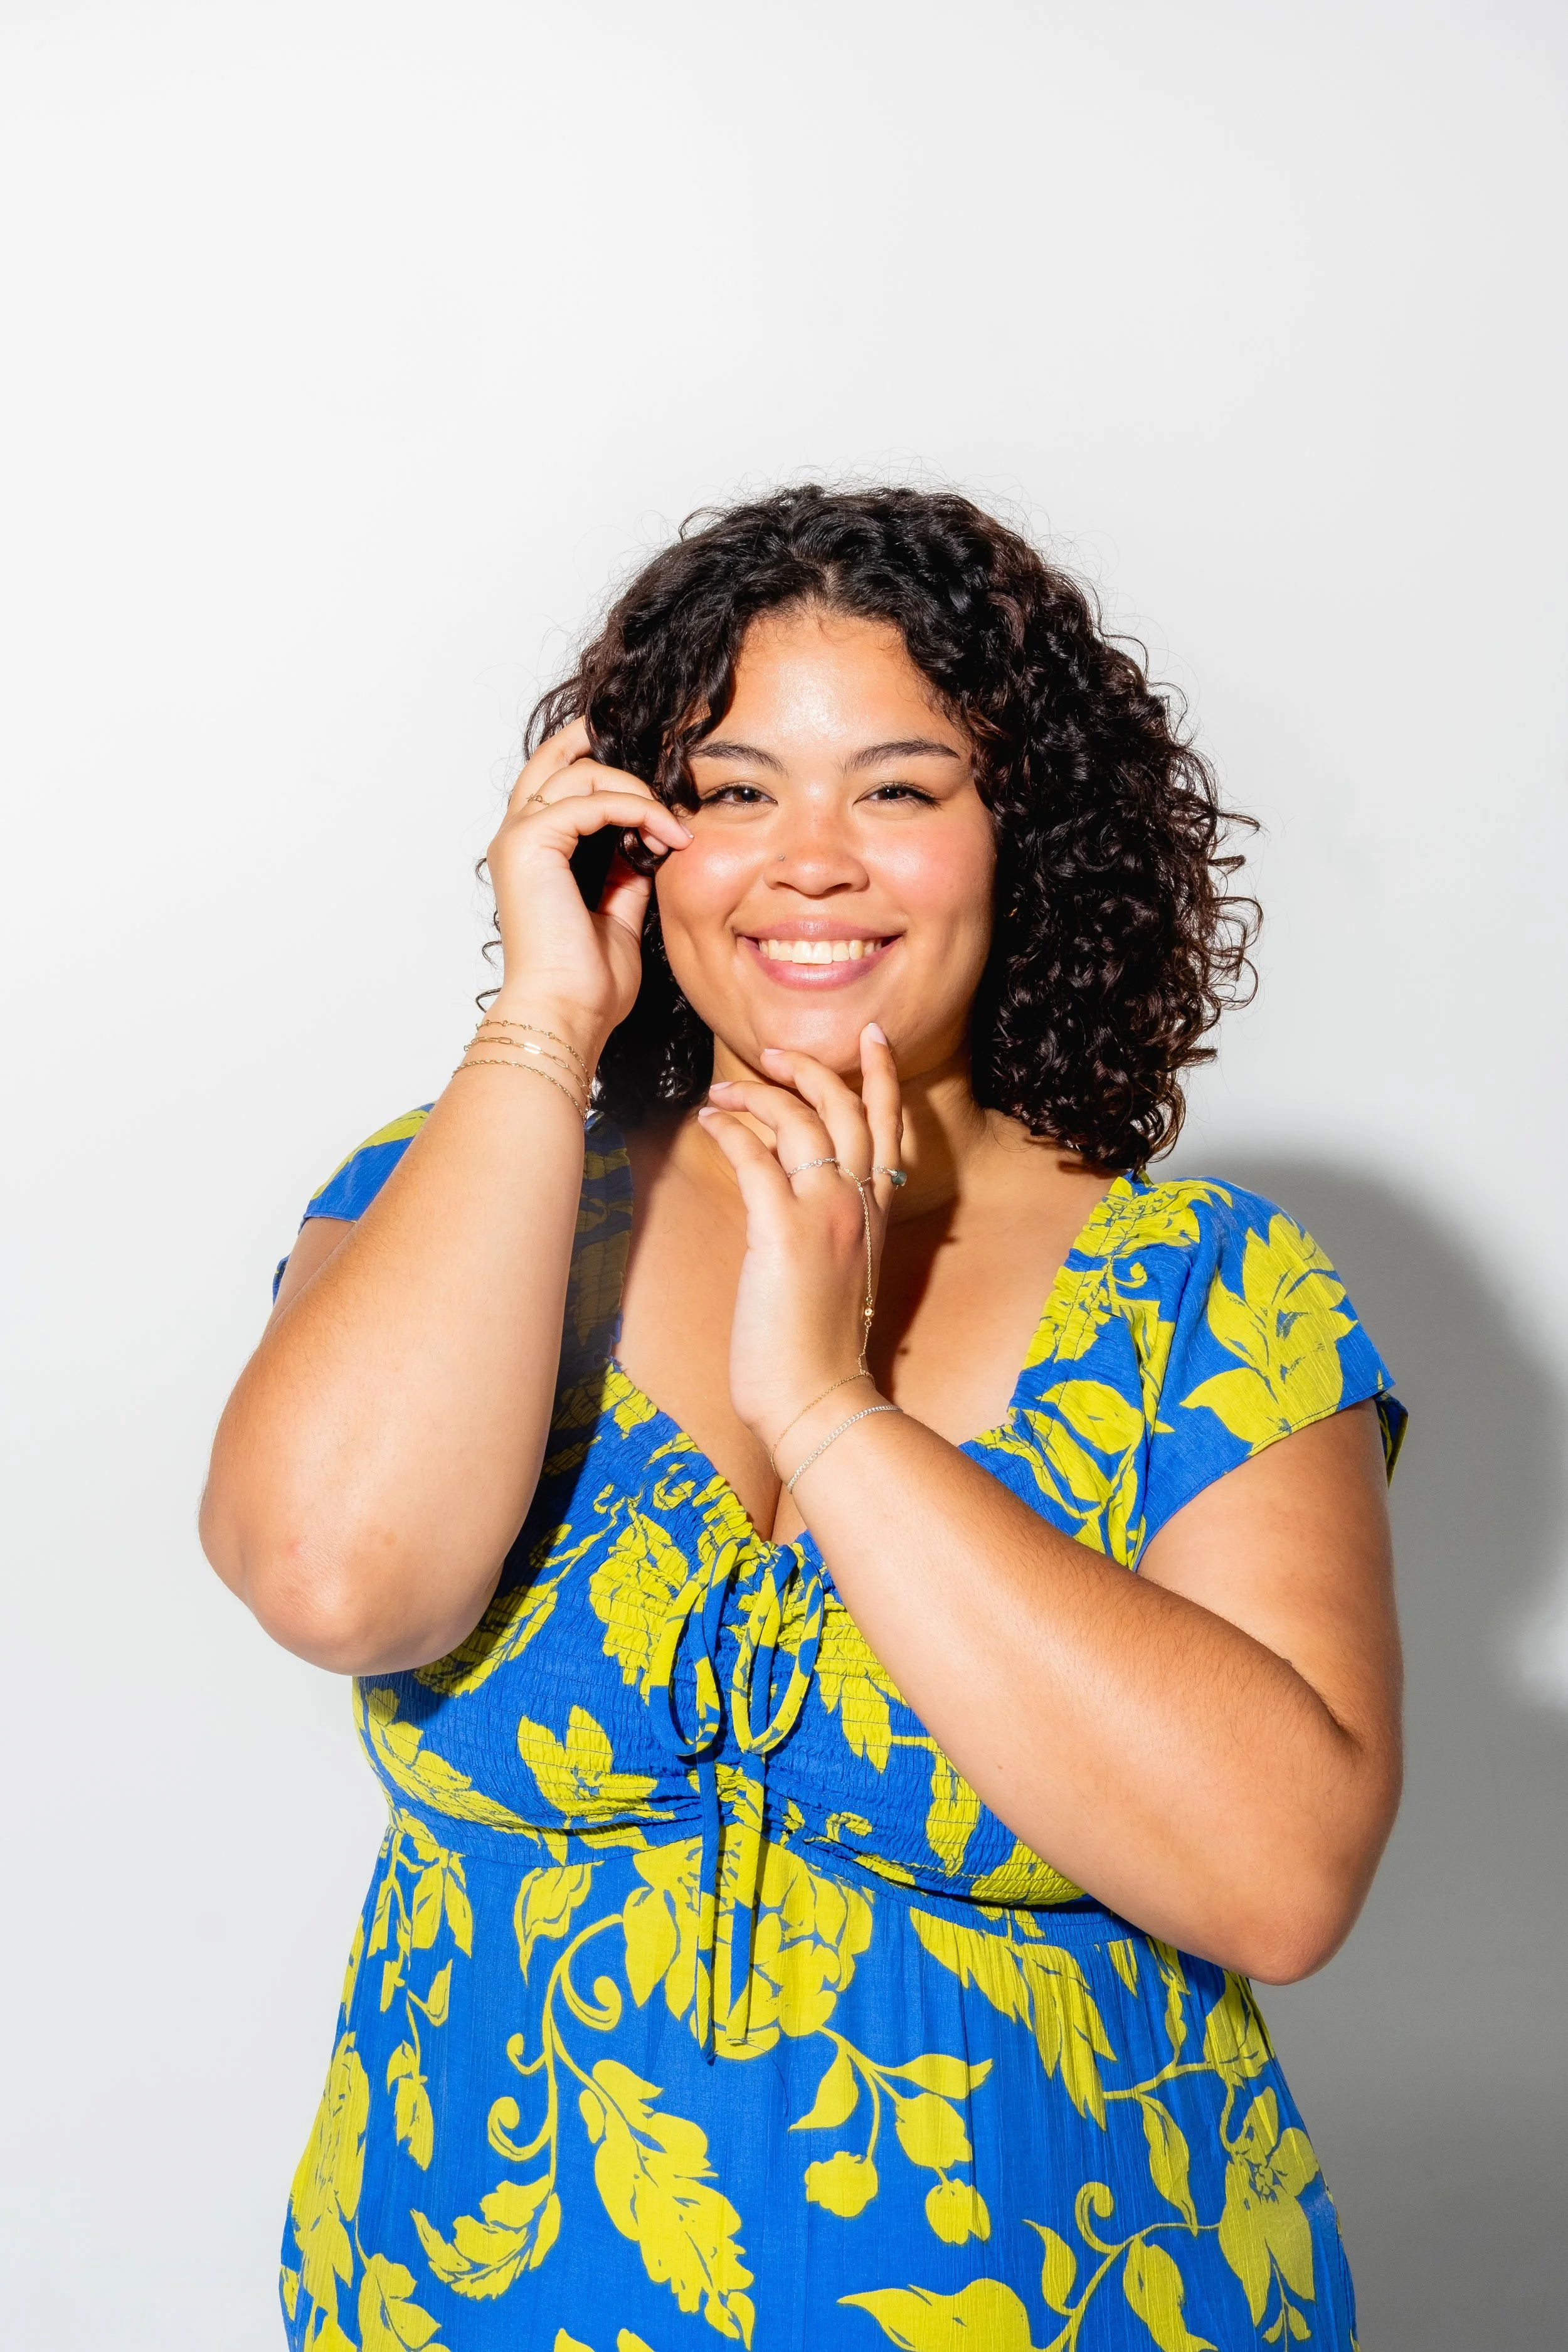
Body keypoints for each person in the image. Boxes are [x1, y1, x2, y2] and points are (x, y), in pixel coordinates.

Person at [201, 485, 1406, 2352]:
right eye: (736, 788)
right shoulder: (467, 1192)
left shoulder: (1206, 1291)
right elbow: (333, 1575)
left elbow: (1274, 1874)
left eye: (900, 789)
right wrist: (541, 1025)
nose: (808, 861)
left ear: (1025, 839)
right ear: (630, 834)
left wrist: (827, 1410)